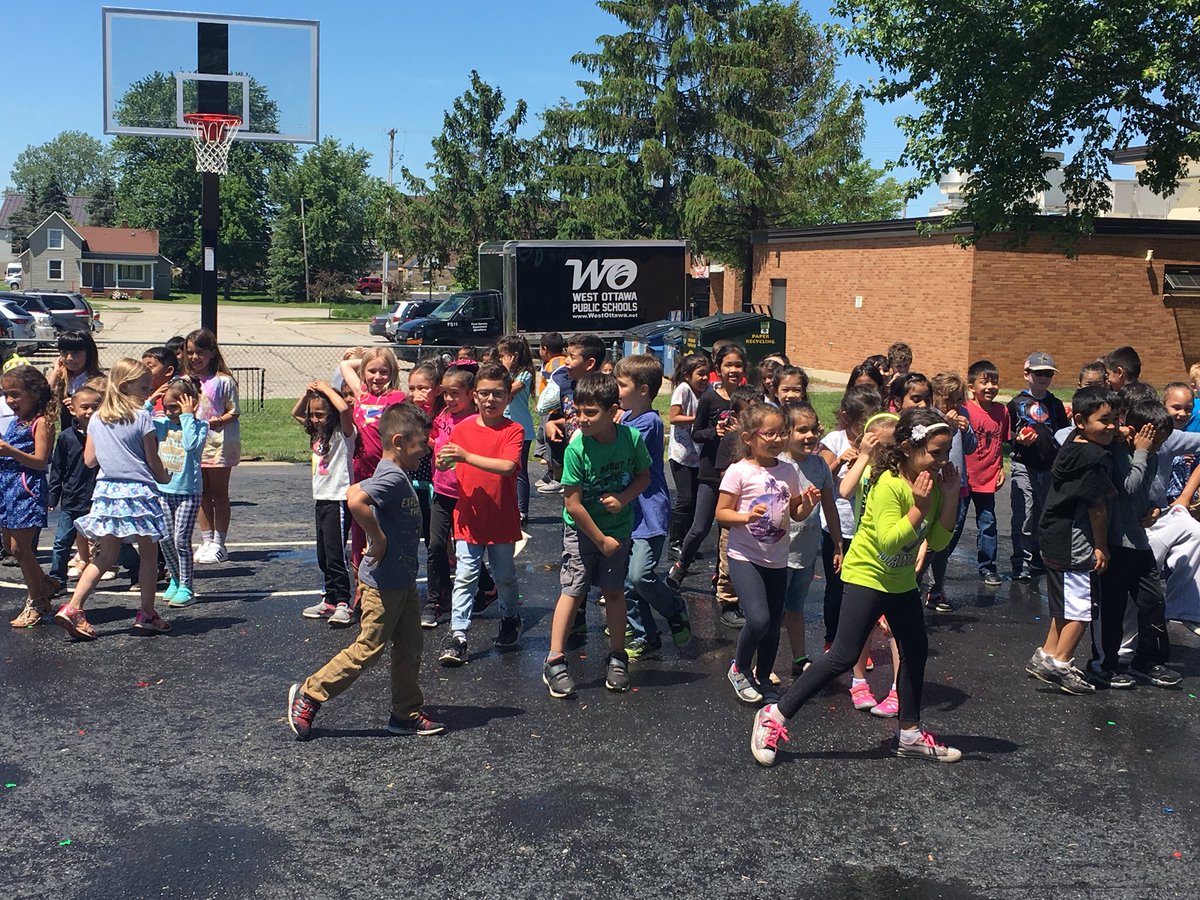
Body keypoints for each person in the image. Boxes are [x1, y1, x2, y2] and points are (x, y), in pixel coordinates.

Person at [749, 408, 964, 767]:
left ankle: (909, 734)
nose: (943, 461)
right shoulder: (889, 484)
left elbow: (939, 542)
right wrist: (920, 507)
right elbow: (890, 542)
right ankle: (774, 715)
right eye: (935, 452)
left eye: (946, 452)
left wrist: (950, 496)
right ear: (908, 447)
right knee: (844, 655)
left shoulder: (932, 484)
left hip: (900, 581)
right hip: (867, 575)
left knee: (915, 650)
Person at [287, 402, 445, 741]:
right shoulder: (392, 476)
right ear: (399, 442)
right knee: (368, 648)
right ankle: (310, 693)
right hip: (384, 583)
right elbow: (355, 501)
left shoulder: (393, 472)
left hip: (401, 580)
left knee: (410, 646)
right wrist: (378, 538)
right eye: (421, 443)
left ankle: (405, 713)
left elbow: (354, 489)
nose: (426, 449)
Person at [542, 373, 650, 698]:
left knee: (614, 591)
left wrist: (624, 499)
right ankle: (554, 659)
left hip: (618, 530)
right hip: (582, 531)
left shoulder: (631, 439)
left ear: (613, 411)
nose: (581, 419)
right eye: (578, 411)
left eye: (591, 412)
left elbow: (643, 477)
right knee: (573, 590)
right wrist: (601, 541)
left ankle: (617, 656)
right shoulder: (577, 449)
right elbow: (572, 505)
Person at [53, 358, 171, 640]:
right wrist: (164, 477)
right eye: (144, 387)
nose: (148, 392)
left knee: (105, 555)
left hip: (108, 492)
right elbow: (152, 459)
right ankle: (146, 612)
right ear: (125, 386)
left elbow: (89, 460)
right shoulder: (142, 416)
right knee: (149, 554)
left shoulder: (97, 418)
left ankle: (73, 607)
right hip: (139, 491)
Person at [1024, 386, 1118, 695]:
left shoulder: (1072, 443)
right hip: (1075, 541)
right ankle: (1061, 664)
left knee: (1064, 604)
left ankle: (1047, 655)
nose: (1112, 427)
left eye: (1115, 420)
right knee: (1081, 608)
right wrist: (1101, 546)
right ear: (1080, 420)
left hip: (1053, 533)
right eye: (1104, 421)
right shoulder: (1096, 458)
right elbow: (1097, 507)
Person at [434, 362, 525, 665]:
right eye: (484, 393)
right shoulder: (462, 429)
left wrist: (465, 456)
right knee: (465, 576)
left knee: (505, 576)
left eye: (497, 394)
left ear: (508, 397)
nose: (490, 399)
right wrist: (444, 461)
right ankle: (458, 635)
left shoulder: (513, 430)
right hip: (469, 518)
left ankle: (510, 617)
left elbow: (507, 467)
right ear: (475, 396)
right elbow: (447, 461)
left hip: (500, 519)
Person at [1088, 400, 1180, 688]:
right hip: (1114, 543)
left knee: (1153, 601)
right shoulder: (1116, 452)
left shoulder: (1151, 457)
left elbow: (1143, 493)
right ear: (1138, 432)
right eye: (1154, 439)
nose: (1157, 447)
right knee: (1112, 608)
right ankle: (1103, 665)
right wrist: (1140, 451)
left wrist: (1154, 508)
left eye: (1162, 441)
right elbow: (1127, 487)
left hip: (1139, 543)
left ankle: (1147, 660)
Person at [667, 342, 748, 629]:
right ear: (719, 368)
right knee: (700, 526)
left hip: (740, 475)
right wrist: (715, 431)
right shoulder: (710, 399)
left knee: (728, 534)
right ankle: (680, 567)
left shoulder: (749, 398)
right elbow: (697, 433)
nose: (733, 370)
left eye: (738, 365)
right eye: (728, 365)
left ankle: (723, 585)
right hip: (710, 472)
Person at [615, 354, 691, 657]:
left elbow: (623, 446)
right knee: (626, 582)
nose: (616, 390)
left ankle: (674, 609)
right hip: (626, 514)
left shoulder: (649, 423)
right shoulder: (626, 419)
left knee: (640, 575)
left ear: (643, 390)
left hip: (648, 512)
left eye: (622, 385)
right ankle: (646, 634)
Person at [836, 411, 904, 713]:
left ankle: (898, 689)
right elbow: (844, 491)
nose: (885, 453)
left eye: (891, 446)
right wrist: (863, 455)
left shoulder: (901, 474)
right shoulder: (864, 468)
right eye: (879, 446)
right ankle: (859, 680)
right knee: (862, 625)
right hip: (865, 556)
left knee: (895, 628)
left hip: (896, 556)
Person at [817, 384, 882, 649]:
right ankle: (832, 639)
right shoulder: (835, 440)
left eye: (873, 421)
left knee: (862, 590)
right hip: (837, 527)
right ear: (846, 417)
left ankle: (858, 644)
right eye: (863, 423)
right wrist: (840, 461)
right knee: (836, 588)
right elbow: (822, 478)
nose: (868, 429)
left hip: (866, 528)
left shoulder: (877, 444)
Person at [779, 400, 839, 677]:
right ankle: (759, 664)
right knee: (770, 613)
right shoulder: (777, 465)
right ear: (786, 432)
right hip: (777, 554)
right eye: (802, 430)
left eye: (814, 429)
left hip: (805, 553)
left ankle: (799, 657)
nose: (810, 435)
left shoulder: (820, 466)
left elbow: (830, 507)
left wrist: (837, 543)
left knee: (795, 607)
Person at [338, 347, 407, 581]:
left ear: (393, 372)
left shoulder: (397, 398)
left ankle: (388, 579)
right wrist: (367, 356)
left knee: (385, 528)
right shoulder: (360, 395)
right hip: (360, 472)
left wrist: (387, 361)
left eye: (384, 371)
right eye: (372, 371)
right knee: (360, 530)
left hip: (385, 474)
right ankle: (361, 583)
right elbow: (345, 366)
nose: (377, 377)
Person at [422, 364, 480, 627]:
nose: (449, 399)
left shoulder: (476, 421)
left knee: (468, 547)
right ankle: (436, 600)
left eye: (455, 393)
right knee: (435, 545)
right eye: (445, 393)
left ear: (471, 394)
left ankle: (487, 586)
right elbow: (433, 437)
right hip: (442, 491)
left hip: (466, 494)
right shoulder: (443, 415)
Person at [294, 381, 355, 624]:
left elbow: (344, 409)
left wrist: (327, 389)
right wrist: (308, 394)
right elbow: (296, 413)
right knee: (323, 554)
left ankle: (343, 602)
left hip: (338, 498)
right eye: (312, 414)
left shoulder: (344, 433)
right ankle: (329, 599)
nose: (314, 419)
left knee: (335, 552)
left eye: (320, 414)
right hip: (321, 498)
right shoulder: (318, 433)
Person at [3, 366, 59, 626]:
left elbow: (40, 460)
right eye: (6, 394)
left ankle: (37, 601)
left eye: (15, 394)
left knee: (20, 548)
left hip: (25, 489)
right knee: (10, 547)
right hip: (7, 488)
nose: (9, 400)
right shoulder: (17, 421)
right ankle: (44, 583)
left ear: (34, 394)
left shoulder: (42, 422)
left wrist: (9, 450)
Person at [1007, 352, 1069, 581]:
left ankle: (1037, 557)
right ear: (1027, 374)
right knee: (1024, 515)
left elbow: (1064, 434)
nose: (1043, 378)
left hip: (1049, 467)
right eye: (1038, 373)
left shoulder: (1056, 404)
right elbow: (1006, 434)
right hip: (1024, 464)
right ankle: (1020, 562)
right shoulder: (1016, 404)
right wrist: (1018, 439)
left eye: (1048, 374)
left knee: (1043, 516)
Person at [919, 372, 976, 611]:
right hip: (935, 483)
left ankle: (936, 589)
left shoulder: (963, 415)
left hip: (957, 484)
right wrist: (949, 427)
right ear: (936, 397)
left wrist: (966, 429)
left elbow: (971, 447)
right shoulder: (932, 418)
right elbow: (935, 445)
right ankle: (914, 582)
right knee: (929, 539)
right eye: (948, 399)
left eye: (958, 399)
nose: (954, 405)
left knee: (946, 538)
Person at [185, 328, 240, 565]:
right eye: (190, 352)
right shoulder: (186, 381)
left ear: (211, 353)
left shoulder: (223, 381)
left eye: (200, 352)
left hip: (218, 444)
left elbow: (234, 411)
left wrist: (219, 420)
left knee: (219, 493)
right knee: (201, 494)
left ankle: (219, 542)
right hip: (195, 445)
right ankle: (206, 540)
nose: (195, 357)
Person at [153, 378, 208, 608]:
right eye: (166, 406)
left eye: (174, 407)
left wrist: (187, 417)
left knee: (181, 540)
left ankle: (187, 586)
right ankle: (175, 578)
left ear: (190, 404)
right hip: (163, 491)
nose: (169, 412)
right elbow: (138, 422)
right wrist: (150, 401)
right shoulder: (161, 423)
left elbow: (190, 445)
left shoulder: (200, 426)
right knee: (164, 537)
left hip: (188, 492)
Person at [46, 386, 102, 590]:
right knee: (62, 541)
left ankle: (136, 571)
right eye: (84, 407)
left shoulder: (106, 433)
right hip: (73, 497)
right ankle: (57, 578)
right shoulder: (66, 437)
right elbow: (58, 469)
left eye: (95, 407)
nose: (90, 412)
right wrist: (53, 496)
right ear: (72, 409)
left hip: (100, 497)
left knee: (112, 540)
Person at [964, 360, 1009, 586]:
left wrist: (1000, 468)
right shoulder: (964, 410)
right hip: (964, 479)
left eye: (994, 382)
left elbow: (1001, 443)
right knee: (954, 524)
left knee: (988, 524)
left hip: (988, 478)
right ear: (971, 387)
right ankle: (935, 566)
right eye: (984, 382)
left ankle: (988, 567)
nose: (990, 387)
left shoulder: (1002, 411)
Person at [667, 353, 710, 559]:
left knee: (695, 501)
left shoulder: (708, 391)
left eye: (707, 373)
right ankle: (674, 544)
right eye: (700, 374)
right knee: (685, 498)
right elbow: (673, 417)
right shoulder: (683, 390)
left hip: (699, 454)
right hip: (682, 454)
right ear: (687, 375)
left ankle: (687, 543)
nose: (705, 378)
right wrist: (698, 418)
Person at [403, 356, 445, 547]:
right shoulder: (408, 411)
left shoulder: (443, 414)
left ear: (437, 390)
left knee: (434, 532)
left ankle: (444, 555)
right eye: (412, 388)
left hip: (436, 480)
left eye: (422, 388)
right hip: (413, 478)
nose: (416, 393)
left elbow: (438, 444)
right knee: (410, 528)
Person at [496, 335, 536, 526]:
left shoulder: (524, 375)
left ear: (513, 356)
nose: (500, 360)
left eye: (503, 356)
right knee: (502, 469)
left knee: (519, 471)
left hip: (521, 428)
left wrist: (506, 369)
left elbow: (506, 392)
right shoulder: (505, 373)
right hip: (503, 426)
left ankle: (522, 511)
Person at [47, 331, 104, 431]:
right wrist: (55, 372)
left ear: (88, 353)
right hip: (68, 433)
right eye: (64, 352)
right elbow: (43, 396)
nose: (69, 358)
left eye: (75, 352)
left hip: (92, 433)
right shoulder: (61, 379)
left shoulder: (100, 381)